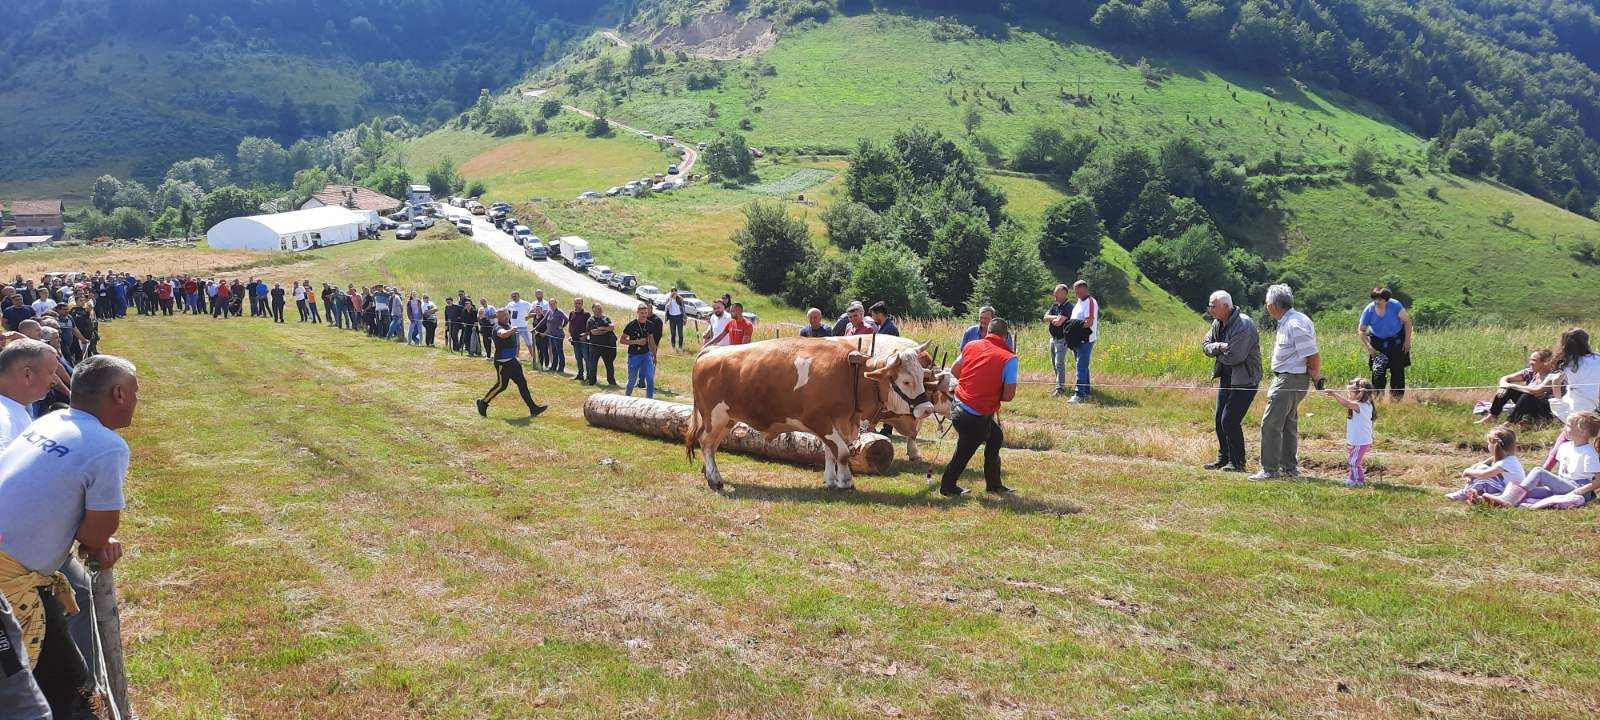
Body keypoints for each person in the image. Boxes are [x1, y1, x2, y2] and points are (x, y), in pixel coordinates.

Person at [0, 355, 138, 719]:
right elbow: (97, 534)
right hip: (9, 586)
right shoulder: (107, 446)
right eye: (137, 392)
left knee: (64, 680)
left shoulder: (54, 419)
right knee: (47, 697)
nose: (138, 400)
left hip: (17, 569)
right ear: (119, 394)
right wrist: (97, 540)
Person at [939, 318, 1018, 497]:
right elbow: (1008, 396)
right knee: (963, 453)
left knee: (995, 437)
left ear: (987, 331)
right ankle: (947, 487)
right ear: (1006, 337)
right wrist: (987, 391)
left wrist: (971, 385)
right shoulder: (1009, 359)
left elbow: (954, 369)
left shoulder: (971, 345)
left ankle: (994, 484)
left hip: (958, 406)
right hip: (975, 415)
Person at [1253, 284, 1324, 480]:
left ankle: (1270, 469)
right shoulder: (1292, 320)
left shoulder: (1294, 324)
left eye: (1268, 303)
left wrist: (1316, 375)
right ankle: (1288, 468)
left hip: (1290, 379)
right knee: (1287, 424)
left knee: (1271, 424)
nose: (1267, 307)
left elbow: (1312, 354)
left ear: (1273, 306)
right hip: (1291, 379)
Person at [1474, 411, 1600, 509]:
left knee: (1539, 471)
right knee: (1526, 491)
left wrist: (1580, 491)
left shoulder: (1589, 453)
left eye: (1568, 425)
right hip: (1563, 485)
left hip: (1579, 489)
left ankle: (1508, 501)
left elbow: (1598, 482)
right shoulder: (1564, 447)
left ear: (1582, 431)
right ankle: (1489, 500)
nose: (1564, 428)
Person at [1200, 290, 1261, 473]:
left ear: (1226, 306)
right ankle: (1223, 459)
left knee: (1229, 420)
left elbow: (1236, 356)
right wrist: (1220, 347)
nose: (1210, 310)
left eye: (1214, 306)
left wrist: (1218, 355)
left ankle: (1237, 463)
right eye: (1210, 306)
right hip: (1227, 378)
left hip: (1245, 380)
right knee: (1219, 419)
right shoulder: (1217, 323)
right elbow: (1205, 345)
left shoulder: (1244, 325)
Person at [1544, 327, 1600, 470]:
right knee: (1566, 437)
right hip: (1589, 403)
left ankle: (1546, 469)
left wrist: (1559, 399)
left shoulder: (1568, 362)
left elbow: (1555, 382)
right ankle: (1547, 469)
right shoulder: (1597, 359)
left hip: (1573, 403)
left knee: (1566, 437)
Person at [475, 309, 547, 419]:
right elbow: (503, 335)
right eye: (503, 316)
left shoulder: (508, 325)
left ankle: (533, 408)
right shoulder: (498, 327)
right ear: (498, 317)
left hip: (513, 361)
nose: (506, 317)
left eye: (507, 315)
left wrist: (516, 357)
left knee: (522, 384)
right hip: (503, 363)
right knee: (501, 386)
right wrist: (511, 331)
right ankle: (483, 402)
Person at [0, 340, 57, 448]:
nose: (55, 381)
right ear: (28, 374)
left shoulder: (13, 407)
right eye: (51, 373)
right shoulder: (4, 419)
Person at [1321, 378, 1377, 487]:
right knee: (1353, 461)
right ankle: (1352, 479)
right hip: (1357, 441)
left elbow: (1346, 403)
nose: (1348, 394)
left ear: (1360, 394)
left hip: (1360, 441)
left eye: (1350, 392)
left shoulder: (1361, 406)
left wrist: (1334, 394)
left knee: (1354, 462)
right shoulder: (1364, 404)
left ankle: (1359, 481)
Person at [1358, 287, 1413, 399]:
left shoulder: (1395, 305)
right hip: (1378, 342)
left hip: (1397, 340)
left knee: (1397, 371)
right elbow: (1361, 330)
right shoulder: (1369, 310)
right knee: (1378, 372)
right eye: (1375, 299)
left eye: (1380, 300)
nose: (1377, 302)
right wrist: (1369, 347)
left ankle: (1396, 400)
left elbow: (1407, 322)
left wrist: (1407, 341)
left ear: (1386, 300)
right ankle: (1378, 399)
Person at [1481, 349, 1559, 424]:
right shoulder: (1530, 372)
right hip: (1527, 404)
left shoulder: (1553, 376)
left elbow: (1536, 390)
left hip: (1545, 409)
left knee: (1527, 395)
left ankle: (1510, 422)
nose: (1530, 363)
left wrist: (1510, 385)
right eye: (1530, 360)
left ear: (1545, 362)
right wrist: (1503, 386)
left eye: (1534, 360)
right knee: (1509, 390)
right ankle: (1492, 416)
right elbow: (1506, 378)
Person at [1446, 426, 1524, 501]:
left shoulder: (1505, 462)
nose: (1488, 446)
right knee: (1482, 468)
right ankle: (1478, 496)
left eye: (1489, 444)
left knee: (1484, 478)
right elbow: (1480, 465)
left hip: (1508, 494)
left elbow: (1484, 474)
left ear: (1495, 446)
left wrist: (1468, 471)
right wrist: (1471, 473)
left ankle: (1464, 493)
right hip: (1507, 489)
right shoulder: (1507, 458)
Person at [1044, 284, 1074, 397]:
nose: (1054, 295)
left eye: (1057, 293)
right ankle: (1059, 386)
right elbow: (1045, 317)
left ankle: (1060, 389)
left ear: (1064, 294)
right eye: (1055, 292)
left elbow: (1059, 322)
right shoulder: (1055, 305)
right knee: (1054, 363)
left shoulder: (1068, 307)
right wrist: (1054, 317)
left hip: (1062, 340)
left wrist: (1052, 318)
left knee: (1059, 363)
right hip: (1053, 338)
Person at [623, 303, 658, 398]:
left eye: (646, 313)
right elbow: (622, 340)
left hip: (646, 355)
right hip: (634, 355)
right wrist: (636, 342)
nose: (644, 315)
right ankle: (627, 397)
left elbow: (651, 340)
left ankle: (649, 400)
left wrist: (654, 355)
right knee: (632, 381)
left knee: (650, 378)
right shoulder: (631, 325)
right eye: (642, 313)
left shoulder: (650, 325)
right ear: (637, 312)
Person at [586, 303, 618, 386]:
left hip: (606, 346)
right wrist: (607, 330)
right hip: (595, 346)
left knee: (609, 364)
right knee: (593, 364)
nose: (600, 310)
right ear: (593, 310)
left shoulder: (606, 318)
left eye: (600, 308)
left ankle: (611, 381)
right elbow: (594, 332)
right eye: (598, 309)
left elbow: (612, 327)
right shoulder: (591, 320)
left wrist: (603, 328)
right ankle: (592, 381)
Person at [505, 291, 534, 359]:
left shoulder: (524, 303)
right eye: (512, 297)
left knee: (529, 343)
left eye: (514, 296)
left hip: (523, 326)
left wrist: (529, 316)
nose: (513, 298)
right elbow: (505, 311)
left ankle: (534, 357)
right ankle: (516, 358)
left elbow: (533, 309)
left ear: (518, 296)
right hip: (514, 327)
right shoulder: (510, 304)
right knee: (516, 344)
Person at [568, 298, 591, 383]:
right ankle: (580, 375)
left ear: (582, 304)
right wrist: (570, 336)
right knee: (578, 358)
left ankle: (589, 376)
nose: (577, 305)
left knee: (586, 358)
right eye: (576, 303)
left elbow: (590, 327)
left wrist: (585, 335)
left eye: (579, 303)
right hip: (574, 340)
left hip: (583, 340)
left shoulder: (586, 314)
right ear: (574, 304)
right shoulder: (572, 313)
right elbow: (570, 325)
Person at [542, 301, 567, 375]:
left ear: (556, 304)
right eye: (550, 304)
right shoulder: (549, 312)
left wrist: (562, 326)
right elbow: (543, 320)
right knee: (554, 352)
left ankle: (561, 368)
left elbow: (566, 319)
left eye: (553, 304)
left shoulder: (559, 312)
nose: (552, 305)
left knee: (559, 352)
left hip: (558, 335)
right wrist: (535, 328)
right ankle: (554, 367)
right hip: (551, 335)